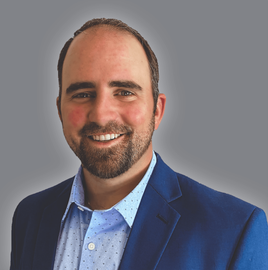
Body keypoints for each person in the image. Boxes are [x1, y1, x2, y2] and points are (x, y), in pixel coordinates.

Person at [10, 18, 268, 270]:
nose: (101, 115)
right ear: (60, 111)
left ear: (157, 110)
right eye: (83, 94)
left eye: (124, 92)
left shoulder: (234, 230)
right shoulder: (30, 215)